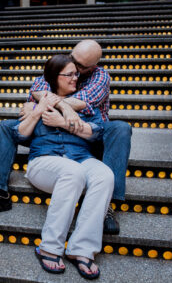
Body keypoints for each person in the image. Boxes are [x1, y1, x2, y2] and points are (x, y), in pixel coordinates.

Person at [0, 40, 132, 235]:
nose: (75, 70)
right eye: (73, 61)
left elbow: (84, 102)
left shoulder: (100, 76)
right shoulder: (62, 66)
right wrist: (56, 107)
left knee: (121, 129)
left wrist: (44, 104)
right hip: (46, 129)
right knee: (5, 126)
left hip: (87, 130)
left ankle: (107, 206)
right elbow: (36, 90)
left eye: (80, 67)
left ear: (92, 67)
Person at [16, 55, 113, 279]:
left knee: (104, 175)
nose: (75, 78)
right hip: (44, 161)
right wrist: (39, 110)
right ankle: (49, 247)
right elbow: (20, 134)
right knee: (72, 172)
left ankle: (81, 249)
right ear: (53, 78)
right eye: (69, 74)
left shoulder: (84, 104)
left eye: (76, 74)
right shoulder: (35, 102)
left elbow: (95, 132)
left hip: (80, 157)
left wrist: (63, 123)